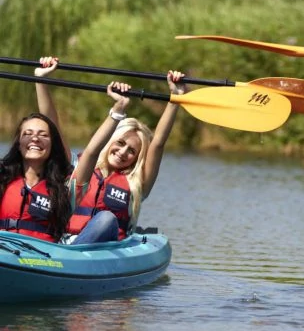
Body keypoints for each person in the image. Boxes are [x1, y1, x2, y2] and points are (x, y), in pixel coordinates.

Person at [35, 57, 186, 244]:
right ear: (110, 140)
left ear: (137, 158)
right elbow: (52, 125)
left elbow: (158, 144)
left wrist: (175, 98)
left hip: (104, 249)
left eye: (132, 151)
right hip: (64, 243)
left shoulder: (137, 183)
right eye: (120, 143)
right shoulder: (77, 166)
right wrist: (41, 79)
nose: (123, 152)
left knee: (107, 219)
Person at [0, 112, 73, 242]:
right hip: (5, 248)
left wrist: (117, 111)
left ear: (52, 145)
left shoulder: (64, 185)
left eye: (43, 135)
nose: (35, 138)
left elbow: (92, 153)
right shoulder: (3, 177)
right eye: (28, 134)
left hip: (43, 255)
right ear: (18, 143)